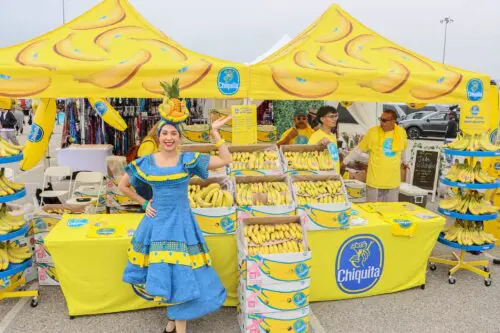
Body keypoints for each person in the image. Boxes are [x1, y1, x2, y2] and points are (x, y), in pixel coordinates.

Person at [119, 113, 232, 333]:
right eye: (165, 133)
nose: (169, 137)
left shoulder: (188, 160)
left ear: (179, 137)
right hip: (158, 224)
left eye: (173, 133)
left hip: (182, 225)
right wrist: (143, 204)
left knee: (180, 275)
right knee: (168, 273)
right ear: (158, 137)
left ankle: (174, 322)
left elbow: (226, 160)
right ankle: (173, 320)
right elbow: (123, 185)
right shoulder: (146, 162)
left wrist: (215, 133)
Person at [343, 109, 408, 202]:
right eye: (380, 119)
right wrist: (345, 162)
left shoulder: (401, 133)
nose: (381, 122)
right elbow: (358, 149)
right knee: (372, 211)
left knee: (390, 211)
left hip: (392, 182)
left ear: (393, 121)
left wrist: (405, 161)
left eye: (384, 120)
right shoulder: (373, 132)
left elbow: (403, 149)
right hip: (375, 181)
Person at [308, 106, 341, 173]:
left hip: (335, 176)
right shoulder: (315, 136)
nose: (335, 119)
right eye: (331, 116)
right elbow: (308, 157)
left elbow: (334, 158)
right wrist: (317, 145)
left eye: (336, 116)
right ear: (322, 119)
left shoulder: (333, 136)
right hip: (323, 177)